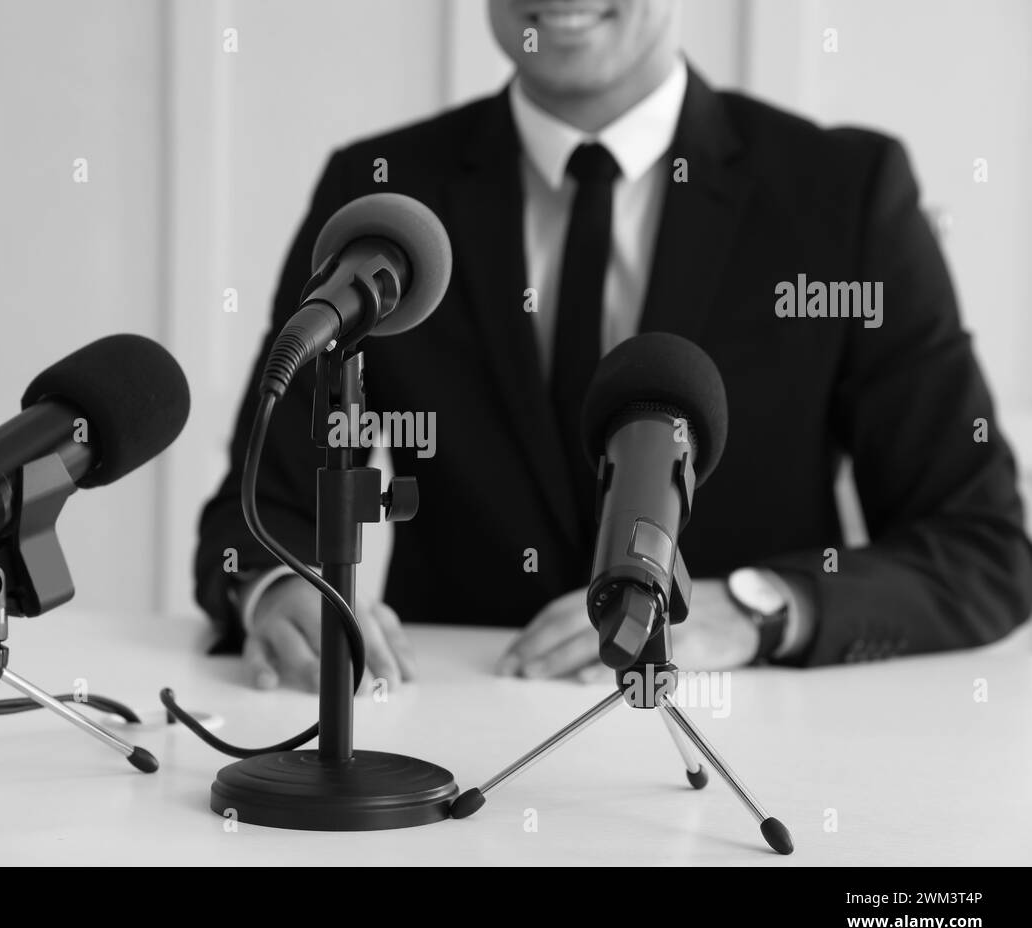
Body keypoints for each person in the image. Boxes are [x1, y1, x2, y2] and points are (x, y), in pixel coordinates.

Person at [193, 0, 1032, 692]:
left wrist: (758, 610)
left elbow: (982, 547)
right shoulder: (383, 195)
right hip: (458, 735)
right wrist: (275, 592)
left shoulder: (843, 194)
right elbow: (256, 512)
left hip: (733, 739)